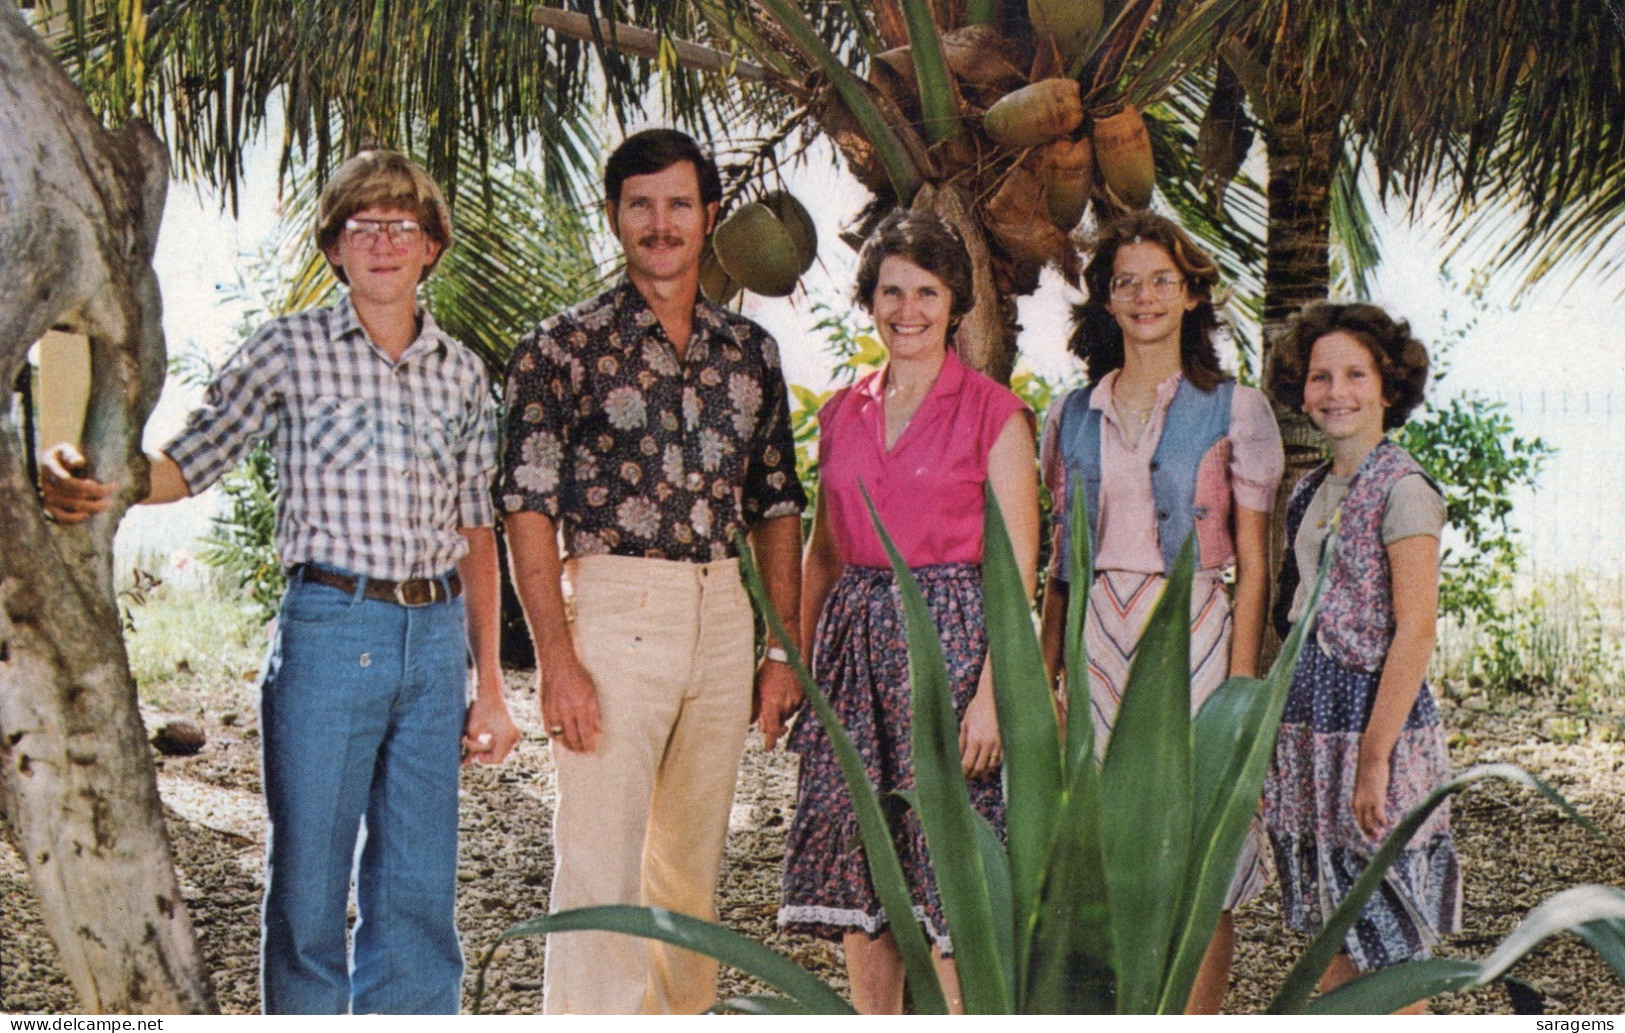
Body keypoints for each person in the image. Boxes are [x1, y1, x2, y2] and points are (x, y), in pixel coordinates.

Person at [39, 149, 521, 1014]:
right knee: (308, 882)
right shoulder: (287, 349)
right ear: (333, 248)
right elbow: (189, 463)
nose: (381, 243)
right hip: (331, 630)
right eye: (360, 226)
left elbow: (476, 531)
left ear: (432, 247)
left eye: (401, 226)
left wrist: (488, 684)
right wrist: (91, 472)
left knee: (418, 887)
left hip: (435, 635)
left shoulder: (461, 370)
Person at [498, 128, 806, 1015]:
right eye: (641, 204)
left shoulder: (749, 353)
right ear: (614, 216)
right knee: (600, 859)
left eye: (678, 204)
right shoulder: (558, 349)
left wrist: (779, 649)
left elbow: (777, 505)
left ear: (710, 217)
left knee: (690, 865)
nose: (661, 223)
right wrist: (556, 658)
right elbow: (526, 506)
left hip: (722, 613)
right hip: (614, 603)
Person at [777, 211, 1040, 1014]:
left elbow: (1018, 573)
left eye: (926, 291)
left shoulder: (994, 414)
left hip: (953, 657)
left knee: (947, 870)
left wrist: (993, 695)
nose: (907, 309)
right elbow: (823, 551)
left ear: (956, 302)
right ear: (870, 300)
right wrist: (795, 662)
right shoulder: (840, 413)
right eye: (891, 291)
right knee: (864, 865)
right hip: (852, 657)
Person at [1037, 210, 1284, 1013]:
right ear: (1104, 300)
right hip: (1096, 629)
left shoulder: (1233, 409)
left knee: (1198, 843)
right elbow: (1058, 564)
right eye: (1126, 282)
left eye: (1161, 280)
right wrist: (1047, 668)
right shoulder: (1069, 414)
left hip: (1197, 632)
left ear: (1190, 295)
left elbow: (1255, 564)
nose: (1144, 296)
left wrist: (1240, 686)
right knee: (1101, 845)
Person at [1262, 302, 1460, 1009]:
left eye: (1354, 374)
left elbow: (1414, 632)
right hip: (1312, 723)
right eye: (1320, 376)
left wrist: (1373, 758)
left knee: (1387, 938)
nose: (1335, 391)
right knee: (1330, 932)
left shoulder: (1404, 490)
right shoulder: (1309, 489)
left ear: (1387, 387)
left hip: (1372, 722)